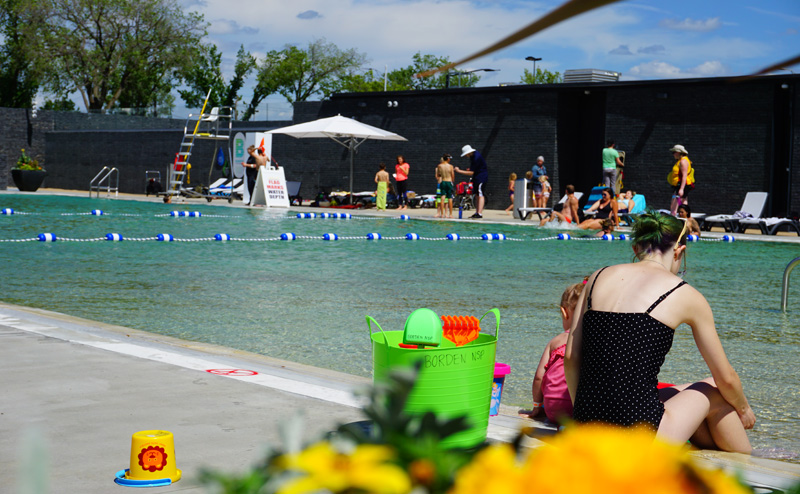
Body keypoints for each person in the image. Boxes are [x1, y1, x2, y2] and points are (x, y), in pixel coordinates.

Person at [565, 210, 755, 453]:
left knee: (675, 392)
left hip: (586, 425)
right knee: (712, 390)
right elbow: (725, 377)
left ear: (636, 249)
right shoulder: (684, 294)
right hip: (641, 433)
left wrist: (583, 419)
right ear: (679, 252)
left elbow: (571, 359)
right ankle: (748, 463)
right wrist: (744, 409)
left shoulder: (596, 277)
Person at [521, 281, 585, 423]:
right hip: (579, 411)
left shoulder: (556, 341)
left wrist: (537, 407)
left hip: (553, 410)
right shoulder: (593, 341)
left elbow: (539, 377)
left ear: (564, 312)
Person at [455, 144, 489, 219]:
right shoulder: (473, 156)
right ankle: (477, 212)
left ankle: (479, 213)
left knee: (480, 193)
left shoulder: (476, 157)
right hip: (477, 177)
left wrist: (459, 171)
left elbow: (471, 172)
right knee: (477, 194)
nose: (466, 156)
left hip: (481, 177)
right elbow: (474, 169)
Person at [668, 144, 694, 216]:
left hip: (681, 185)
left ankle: (674, 220)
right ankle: (685, 218)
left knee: (674, 206)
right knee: (683, 203)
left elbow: (684, 175)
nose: (673, 154)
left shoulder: (683, 161)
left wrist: (681, 189)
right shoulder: (681, 160)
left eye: (674, 152)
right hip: (679, 186)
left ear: (679, 152)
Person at [435, 153, 455, 218]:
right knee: (449, 198)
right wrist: (452, 182)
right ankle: (450, 214)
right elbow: (452, 175)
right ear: (448, 159)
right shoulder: (451, 166)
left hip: (443, 181)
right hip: (449, 182)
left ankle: (442, 214)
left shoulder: (439, 166)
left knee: (442, 197)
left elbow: (438, 175)